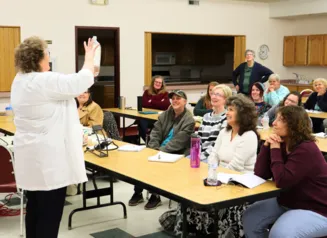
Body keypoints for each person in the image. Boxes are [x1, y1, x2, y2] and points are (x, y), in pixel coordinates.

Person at [11, 36, 97, 238]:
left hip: (31, 160)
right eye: (47, 54)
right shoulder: (44, 81)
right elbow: (81, 81)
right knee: (49, 217)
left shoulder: (19, 81)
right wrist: (90, 56)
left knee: (34, 211)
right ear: (38, 58)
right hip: (50, 163)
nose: (49, 58)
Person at [160, 94, 259, 237]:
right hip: (219, 178)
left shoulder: (249, 136)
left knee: (208, 201)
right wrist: (211, 174)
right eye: (227, 109)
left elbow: (235, 167)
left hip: (238, 185)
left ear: (242, 114)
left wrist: (214, 177)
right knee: (189, 197)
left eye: (231, 109)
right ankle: (194, 232)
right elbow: (214, 154)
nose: (228, 113)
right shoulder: (225, 131)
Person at [243, 106, 327, 238]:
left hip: (316, 208)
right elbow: (260, 174)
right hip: (288, 201)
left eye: (280, 120)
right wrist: (266, 147)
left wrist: (275, 149)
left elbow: (282, 181)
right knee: (250, 217)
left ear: (293, 124)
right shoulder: (282, 142)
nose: (273, 123)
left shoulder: (306, 149)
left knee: (280, 234)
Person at [129, 90, 195, 210]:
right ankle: (138, 193)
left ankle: (155, 195)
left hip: (177, 151)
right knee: (141, 160)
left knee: (155, 164)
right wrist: (153, 148)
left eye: (178, 98)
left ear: (185, 102)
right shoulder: (165, 115)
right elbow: (155, 132)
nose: (175, 100)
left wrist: (161, 151)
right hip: (158, 149)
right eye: (173, 98)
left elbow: (179, 141)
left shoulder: (189, 120)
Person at [197, 84, 232, 162]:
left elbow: (219, 143)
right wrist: (197, 154)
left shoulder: (227, 117)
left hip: (214, 157)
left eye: (218, 95)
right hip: (201, 155)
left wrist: (202, 156)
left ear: (226, 99)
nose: (213, 97)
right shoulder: (206, 116)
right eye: (213, 94)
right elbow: (198, 137)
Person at [139, 75, 170, 142]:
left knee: (156, 125)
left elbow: (165, 105)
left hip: (160, 118)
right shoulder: (146, 92)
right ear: (153, 82)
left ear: (162, 85)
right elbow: (144, 104)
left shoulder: (165, 93)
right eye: (156, 82)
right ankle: (148, 141)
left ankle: (153, 141)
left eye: (160, 83)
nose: (158, 84)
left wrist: (152, 100)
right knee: (140, 122)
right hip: (147, 116)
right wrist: (159, 101)